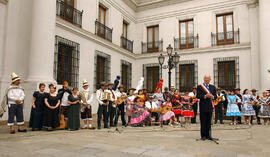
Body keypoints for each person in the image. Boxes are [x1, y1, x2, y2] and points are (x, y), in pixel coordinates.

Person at [196, 75, 217, 141]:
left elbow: (215, 96)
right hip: (203, 107)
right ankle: (203, 136)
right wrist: (205, 96)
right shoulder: (200, 87)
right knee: (203, 122)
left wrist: (212, 96)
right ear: (203, 79)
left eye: (208, 78)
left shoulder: (213, 87)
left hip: (210, 106)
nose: (206, 79)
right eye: (205, 78)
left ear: (210, 79)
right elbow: (198, 96)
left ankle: (209, 135)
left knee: (209, 122)